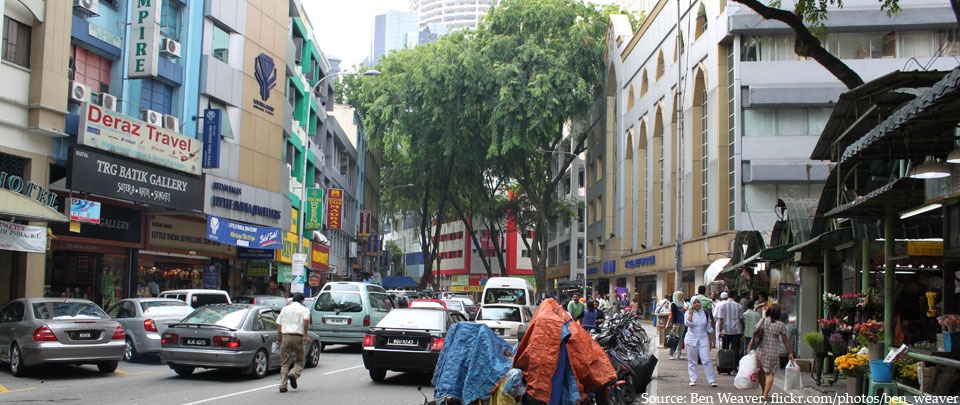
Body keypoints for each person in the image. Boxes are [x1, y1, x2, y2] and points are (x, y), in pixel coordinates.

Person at [747, 304, 794, 402]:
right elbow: (785, 340)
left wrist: (750, 346)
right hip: (772, 351)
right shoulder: (780, 324)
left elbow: (755, 334)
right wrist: (790, 352)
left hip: (760, 349)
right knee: (770, 373)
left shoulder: (763, 321)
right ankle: (765, 395)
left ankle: (764, 392)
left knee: (761, 372)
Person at [276, 292, 311, 393]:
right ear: (302, 300)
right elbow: (306, 321)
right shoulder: (304, 309)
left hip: (286, 336)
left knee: (284, 362)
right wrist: (305, 335)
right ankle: (293, 374)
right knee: (300, 360)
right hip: (298, 337)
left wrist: (279, 339)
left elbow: (279, 325)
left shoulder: (285, 309)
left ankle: (283, 385)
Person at [684, 296, 717, 387]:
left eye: (698, 302)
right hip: (691, 338)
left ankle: (711, 380)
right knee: (692, 361)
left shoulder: (705, 313)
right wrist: (690, 311)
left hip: (703, 338)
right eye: (694, 302)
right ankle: (693, 379)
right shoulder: (688, 313)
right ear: (691, 304)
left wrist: (710, 341)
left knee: (706, 359)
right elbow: (688, 323)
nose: (697, 304)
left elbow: (709, 328)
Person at [716, 292, 744, 363]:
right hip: (736, 331)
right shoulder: (739, 306)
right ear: (734, 296)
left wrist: (720, 330)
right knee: (735, 349)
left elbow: (721, 319)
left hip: (726, 330)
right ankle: (734, 365)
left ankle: (725, 365)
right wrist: (742, 330)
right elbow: (741, 320)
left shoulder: (722, 305)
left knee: (725, 348)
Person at [665, 291, 686, 359]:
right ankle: (671, 353)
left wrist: (683, 302)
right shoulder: (673, 304)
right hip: (676, 323)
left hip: (682, 322)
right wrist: (674, 324)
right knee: (674, 338)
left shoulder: (681, 303)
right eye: (680, 296)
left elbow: (685, 308)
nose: (681, 297)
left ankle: (678, 353)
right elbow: (673, 315)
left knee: (680, 339)